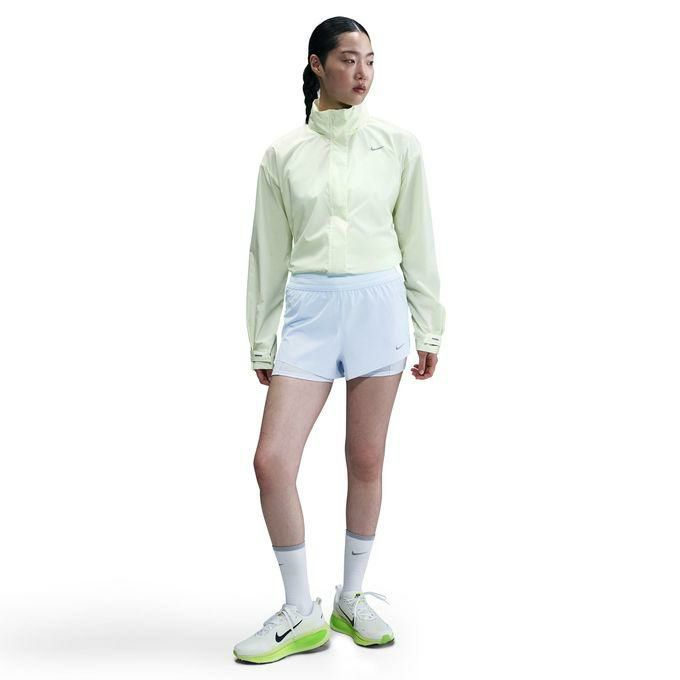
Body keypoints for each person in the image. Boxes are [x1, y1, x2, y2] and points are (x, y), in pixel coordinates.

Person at [234, 16, 446, 664]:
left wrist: (429, 323)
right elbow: (267, 254)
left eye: (371, 60)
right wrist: (262, 339)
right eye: (349, 59)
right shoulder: (283, 154)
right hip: (310, 313)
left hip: (379, 309)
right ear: (317, 64)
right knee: (272, 461)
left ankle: (351, 598)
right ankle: (300, 610)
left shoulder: (398, 145)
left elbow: (418, 238)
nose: (362, 73)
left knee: (366, 459)